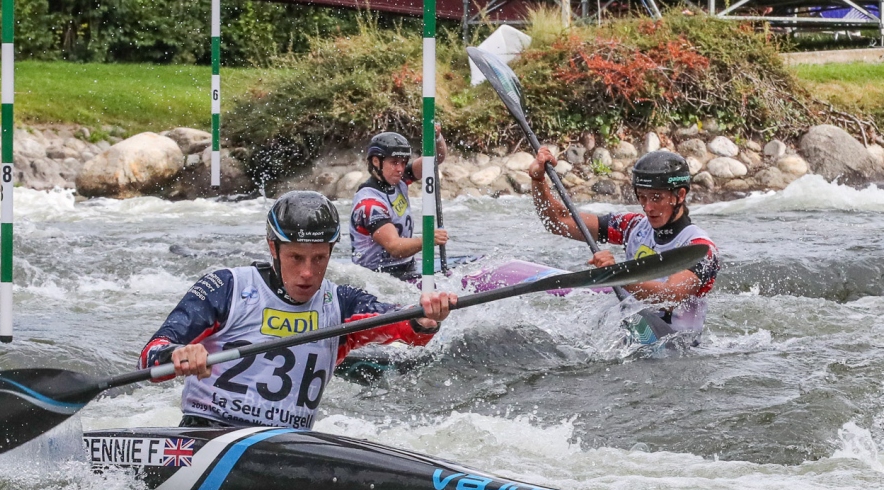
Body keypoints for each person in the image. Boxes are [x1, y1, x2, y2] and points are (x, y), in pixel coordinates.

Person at [139, 190, 457, 430]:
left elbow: (404, 326)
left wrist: (426, 318)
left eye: (319, 258)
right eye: (296, 258)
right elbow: (152, 354)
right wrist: (178, 355)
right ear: (273, 248)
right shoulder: (228, 287)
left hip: (286, 445)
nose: (307, 273)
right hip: (207, 436)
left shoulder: (342, 304)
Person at [528, 147, 719, 334]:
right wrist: (538, 180)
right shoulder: (631, 226)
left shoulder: (701, 248)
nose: (648, 207)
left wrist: (617, 275)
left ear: (680, 195)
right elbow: (560, 222)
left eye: (656, 198)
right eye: (642, 197)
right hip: (628, 342)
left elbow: (669, 296)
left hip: (674, 353)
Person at [350, 130, 449, 279]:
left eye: (403, 162)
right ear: (376, 161)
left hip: (406, 268)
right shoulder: (369, 204)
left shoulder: (398, 180)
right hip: (377, 276)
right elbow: (395, 248)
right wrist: (428, 239)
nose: (400, 169)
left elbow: (434, 159)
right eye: (394, 162)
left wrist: (436, 137)